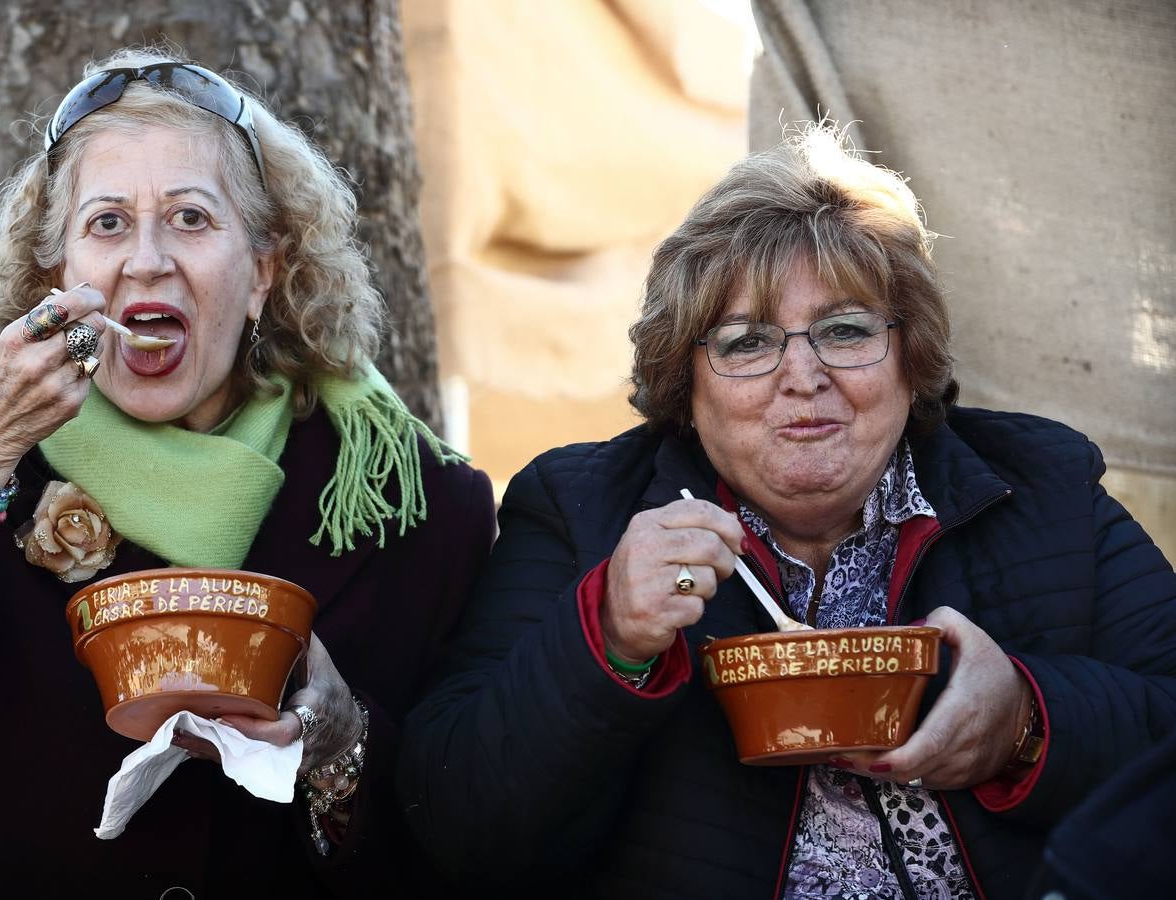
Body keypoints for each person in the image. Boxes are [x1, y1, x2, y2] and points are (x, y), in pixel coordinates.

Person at [398, 125, 1176, 899]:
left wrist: (1027, 726)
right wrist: (607, 636)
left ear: (912, 356)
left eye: (845, 331)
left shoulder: (1042, 484)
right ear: (685, 381)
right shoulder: (580, 509)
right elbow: (454, 827)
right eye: (745, 343)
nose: (802, 376)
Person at [0, 48, 494, 899]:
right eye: (107, 223)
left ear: (261, 274)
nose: (146, 259)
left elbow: (477, 829)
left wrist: (342, 748)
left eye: (189, 218)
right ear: (57, 277)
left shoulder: (414, 501)